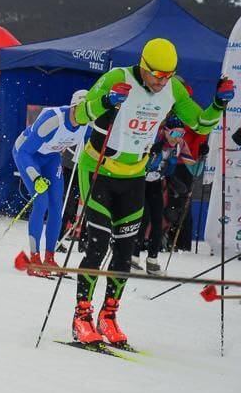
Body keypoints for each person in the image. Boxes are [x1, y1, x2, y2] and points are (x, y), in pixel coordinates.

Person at [68, 38, 230, 346]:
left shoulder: (172, 89)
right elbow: (77, 116)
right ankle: (82, 316)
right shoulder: (117, 78)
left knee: (125, 252)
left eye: (168, 75)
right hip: (99, 169)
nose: (162, 81)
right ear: (143, 66)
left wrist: (219, 104)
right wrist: (104, 103)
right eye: (157, 74)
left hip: (134, 177)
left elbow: (201, 123)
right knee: (98, 245)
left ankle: (109, 315)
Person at [11, 90, 88, 276]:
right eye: (80, 110)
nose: (83, 115)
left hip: (51, 157)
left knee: (56, 205)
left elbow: (86, 156)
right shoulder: (52, 119)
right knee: (42, 201)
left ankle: (50, 258)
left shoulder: (88, 124)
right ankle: (34, 257)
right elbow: (24, 153)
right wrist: (36, 177)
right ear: (73, 106)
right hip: (28, 155)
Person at [133, 116, 190, 274]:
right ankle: (133, 258)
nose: (177, 138)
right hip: (140, 182)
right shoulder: (152, 141)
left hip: (156, 183)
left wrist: (178, 185)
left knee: (158, 221)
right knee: (143, 219)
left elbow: (168, 171)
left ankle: (152, 260)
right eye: (174, 133)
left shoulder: (176, 147)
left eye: (181, 134)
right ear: (165, 131)